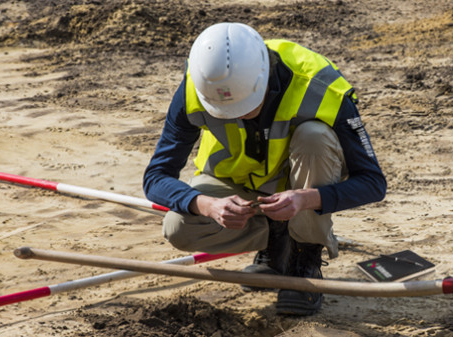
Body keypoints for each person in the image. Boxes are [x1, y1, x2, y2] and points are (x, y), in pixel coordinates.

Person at [143, 22, 386, 316]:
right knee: (178, 227)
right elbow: (156, 176)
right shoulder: (197, 87)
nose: (239, 115)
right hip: (236, 183)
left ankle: (303, 258)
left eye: (246, 106)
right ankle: (276, 237)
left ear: (265, 78)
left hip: (302, 185)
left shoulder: (319, 86)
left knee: (314, 137)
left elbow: (373, 183)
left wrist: (305, 200)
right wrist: (208, 205)